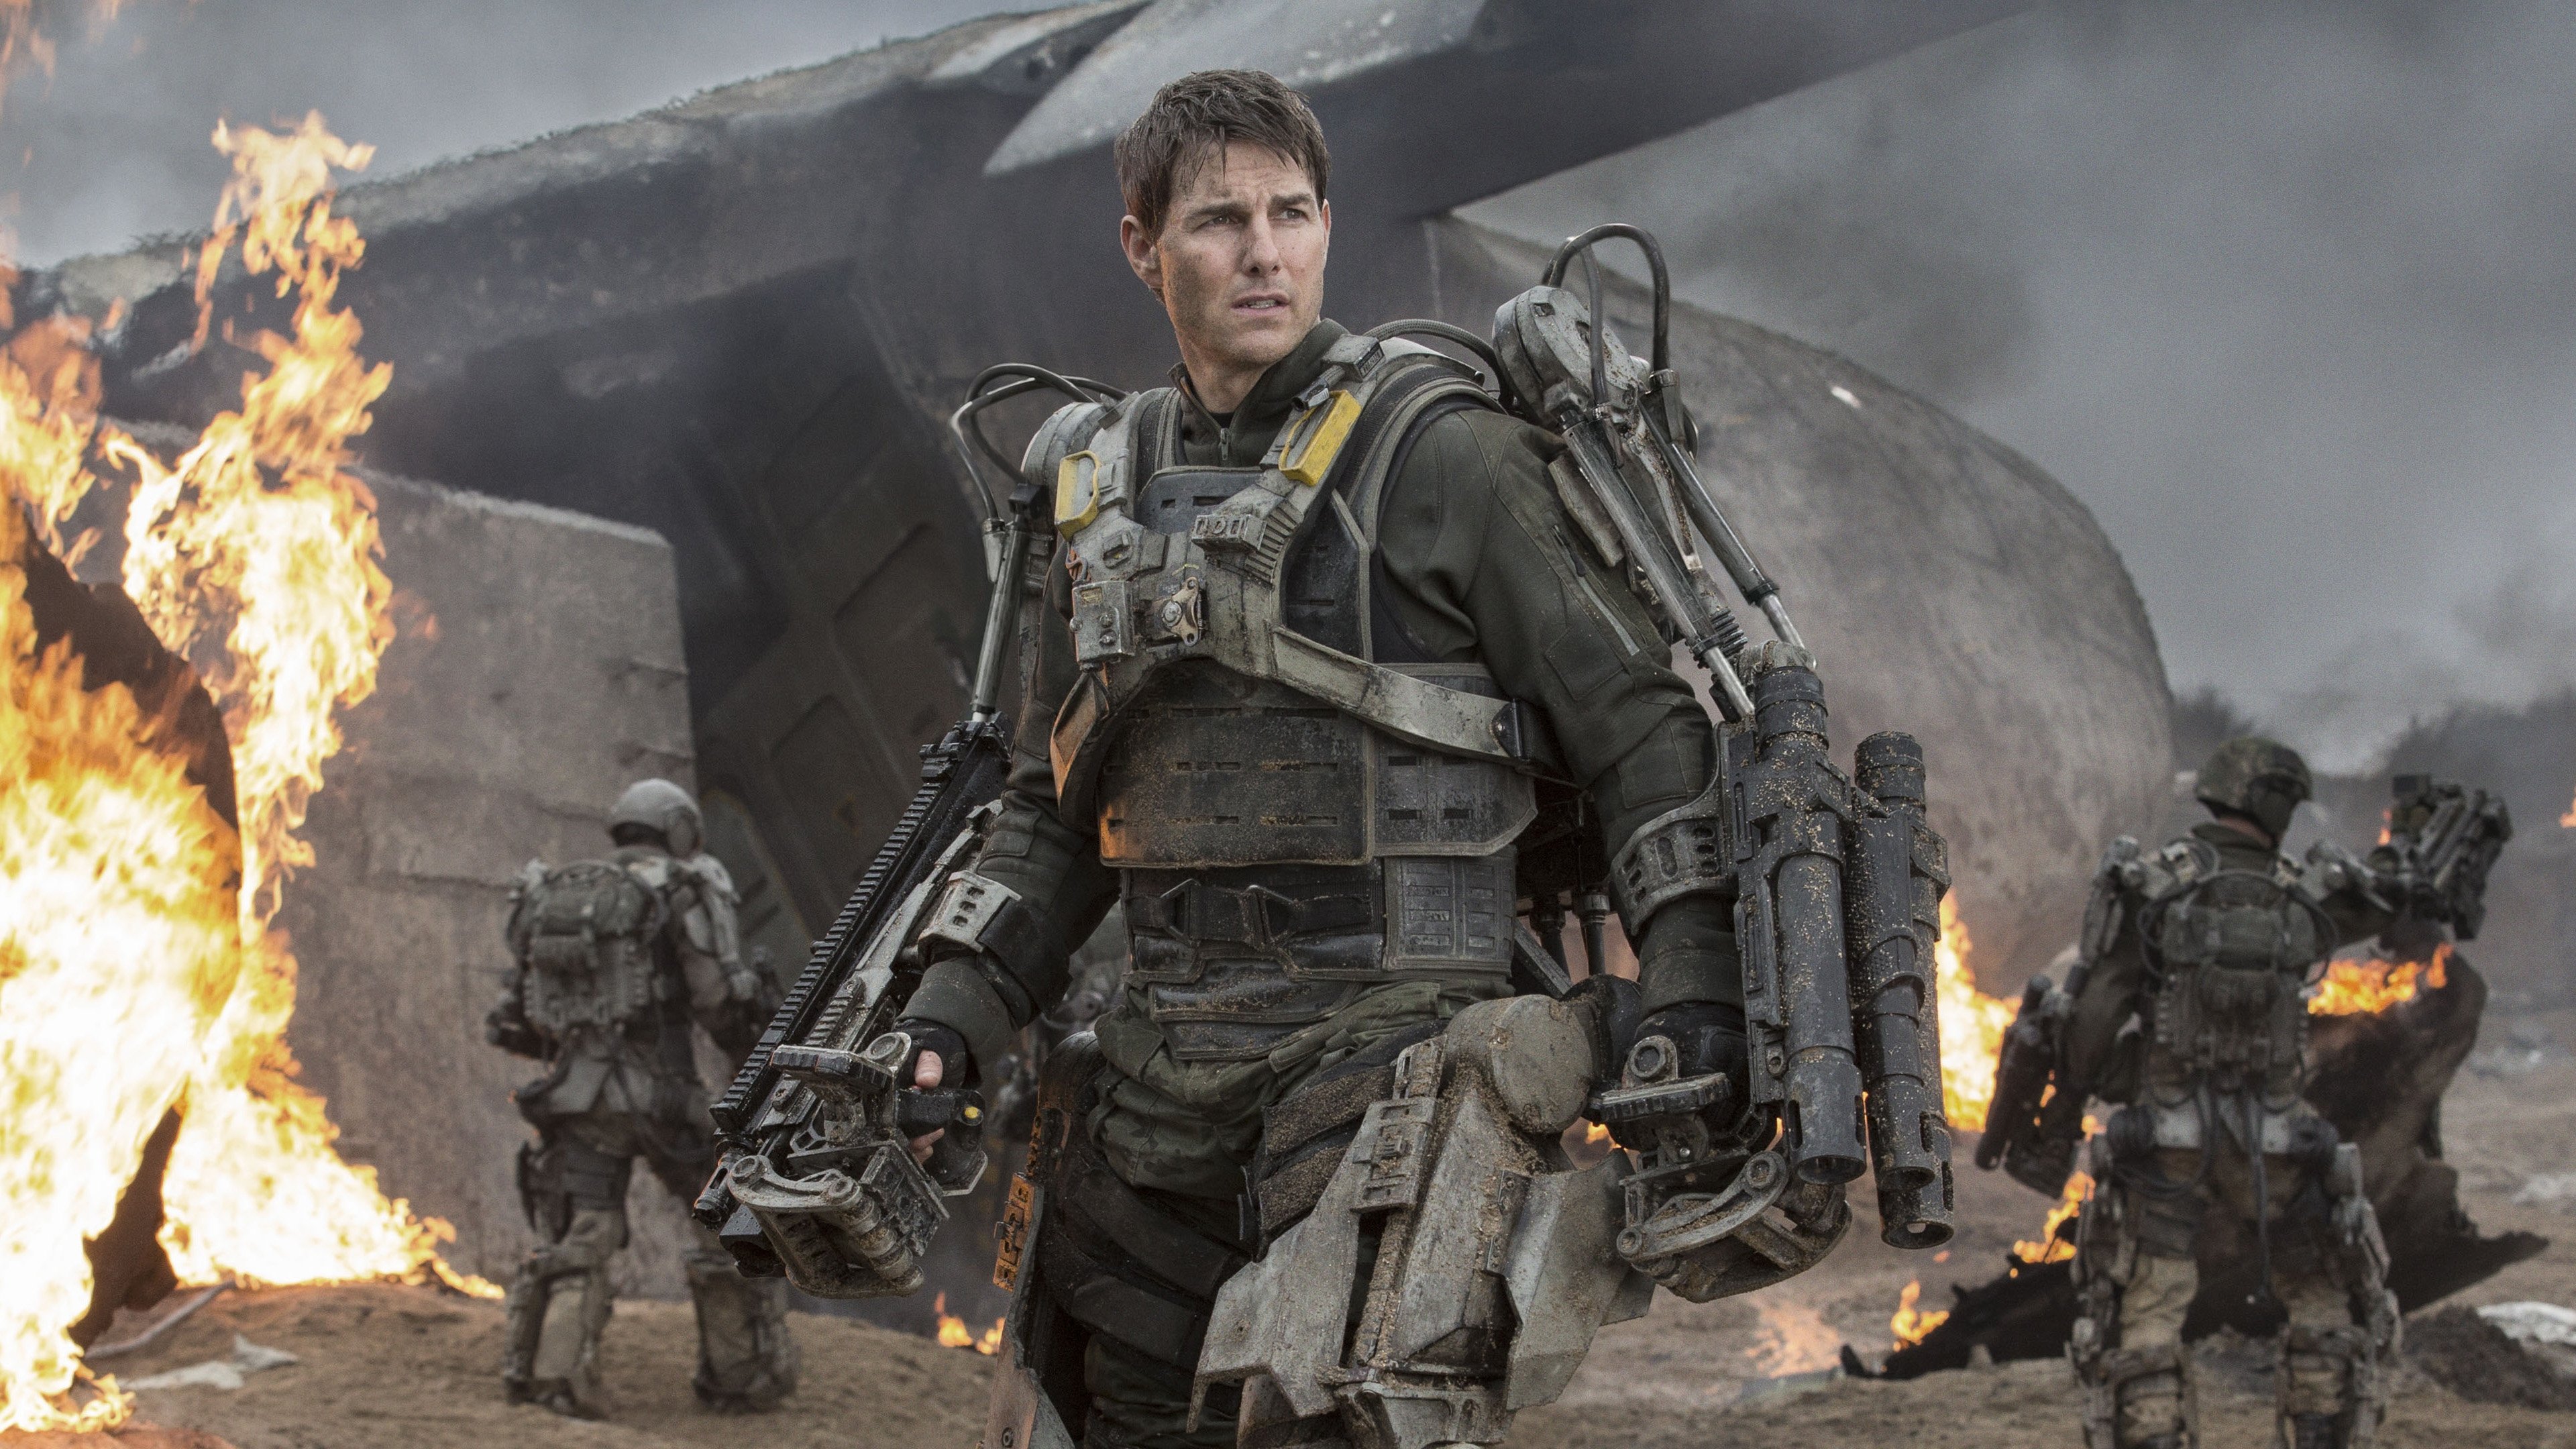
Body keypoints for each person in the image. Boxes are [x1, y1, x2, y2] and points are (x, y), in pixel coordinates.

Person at [890, 69, 1752, 1448]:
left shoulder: (1450, 459)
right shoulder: (1095, 494)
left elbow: (1646, 731)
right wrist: (952, 1018)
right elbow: (1055, 809)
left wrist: (1694, 983)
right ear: (1144, 246)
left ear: (1328, 229)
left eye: (1291, 214)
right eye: (1220, 220)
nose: (1264, 253)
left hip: (1393, 1067)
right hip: (1156, 1087)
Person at [2055, 738, 2408, 1449]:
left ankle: (2152, 1437)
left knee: (2152, 1304)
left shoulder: (2157, 887)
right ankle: (2318, 1431)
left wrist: (2118, 1081)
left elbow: (2094, 1018)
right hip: (2281, 1142)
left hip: (2167, 1140)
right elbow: (2383, 910)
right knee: (2319, 1293)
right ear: (2275, 804)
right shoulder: (2303, 896)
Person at [486, 778, 796, 1418]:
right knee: (726, 1221)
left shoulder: (561, 894)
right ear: (679, 827)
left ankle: (553, 1378)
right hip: (665, 1101)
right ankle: (739, 1377)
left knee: (584, 1233)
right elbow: (715, 999)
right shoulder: (683, 888)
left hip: (578, 1100)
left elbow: (519, 1016)